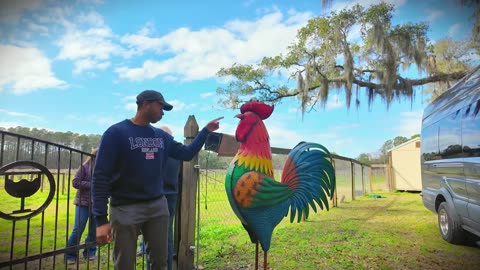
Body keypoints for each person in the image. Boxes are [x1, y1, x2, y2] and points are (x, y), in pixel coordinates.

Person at [92, 89, 222, 270]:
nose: (163, 112)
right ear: (146, 104)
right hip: (125, 208)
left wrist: (205, 132)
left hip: (157, 207)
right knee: (124, 264)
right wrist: (100, 220)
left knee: (160, 263)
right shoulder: (116, 133)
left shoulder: (161, 137)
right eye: (161, 107)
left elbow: (187, 153)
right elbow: (100, 177)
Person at [138, 125, 181, 270]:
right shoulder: (176, 153)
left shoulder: (157, 151)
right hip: (172, 195)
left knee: (151, 235)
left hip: (155, 195)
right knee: (166, 234)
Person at [65, 149, 98, 265]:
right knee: (78, 228)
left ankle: (90, 252)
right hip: (83, 203)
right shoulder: (84, 167)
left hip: (97, 203)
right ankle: (70, 255)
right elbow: (75, 182)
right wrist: (92, 185)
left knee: (94, 230)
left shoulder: (104, 169)